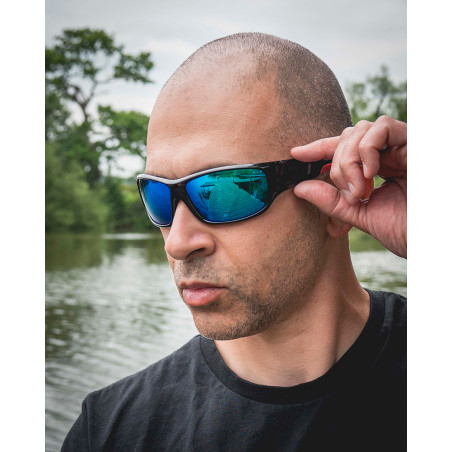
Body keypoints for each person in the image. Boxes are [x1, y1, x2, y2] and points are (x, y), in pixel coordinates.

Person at [62, 32, 406, 451]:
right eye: (158, 196)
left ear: (333, 193)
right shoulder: (112, 432)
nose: (177, 243)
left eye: (223, 191)